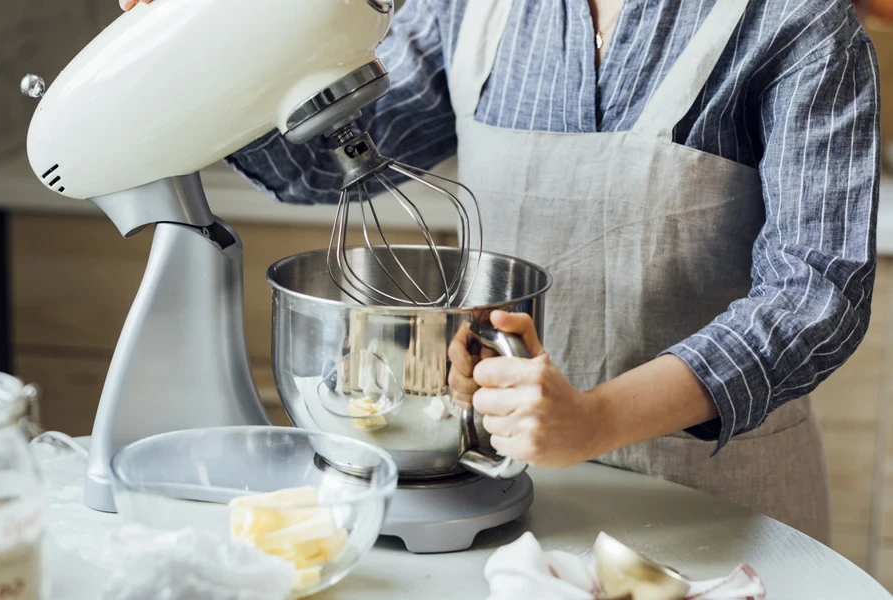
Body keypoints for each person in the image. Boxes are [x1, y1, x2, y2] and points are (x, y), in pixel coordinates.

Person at [122, 0, 880, 543]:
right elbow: (324, 164)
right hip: (503, 497)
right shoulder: (471, 9)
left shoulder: (800, 23)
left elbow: (816, 293)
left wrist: (594, 420)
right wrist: (203, 66)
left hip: (716, 506)